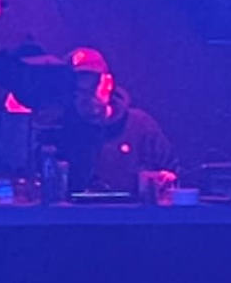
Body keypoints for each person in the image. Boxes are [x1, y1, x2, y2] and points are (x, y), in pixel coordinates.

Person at [64, 48, 173, 197]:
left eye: (92, 85)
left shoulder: (140, 125)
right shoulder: (61, 131)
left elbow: (172, 172)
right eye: (77, 90)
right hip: (77, 218)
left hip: (133, 218)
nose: (85, 96)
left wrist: (164, 179)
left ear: (108, 83)